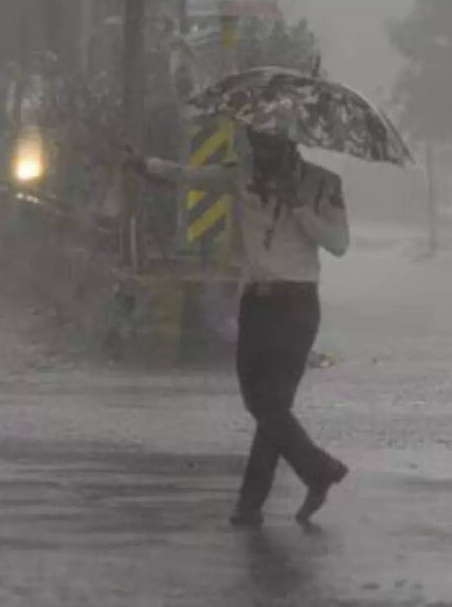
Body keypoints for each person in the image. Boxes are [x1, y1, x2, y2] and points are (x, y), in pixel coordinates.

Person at [137, 130, 350, 527]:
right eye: (255, 144)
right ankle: (315, 470)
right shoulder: (241, 176)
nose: (259, 153)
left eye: (268, 145)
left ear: (289, 145)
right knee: (262, 404)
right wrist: (147, 166)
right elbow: (191, 176)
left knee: (273, 406)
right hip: (256, 303)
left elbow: (339, 243)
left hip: (297, 304)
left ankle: (250, 505)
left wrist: (299, 206)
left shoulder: (323, 183)